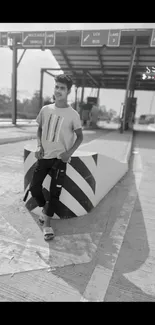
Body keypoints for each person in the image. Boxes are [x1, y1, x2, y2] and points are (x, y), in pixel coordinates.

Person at [29, 74, 83, 240]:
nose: (58, 91)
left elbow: (80, 137)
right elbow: (39, 129)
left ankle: (47, 225)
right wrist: (39, 145)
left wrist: (68, 153)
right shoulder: (45, 110)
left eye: (62, 88)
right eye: (57, 87)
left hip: (60, 160)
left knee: (54, 194)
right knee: (34, 187)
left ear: (68, 92)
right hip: (44, 157)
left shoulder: (73, 114)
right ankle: (46, 211)